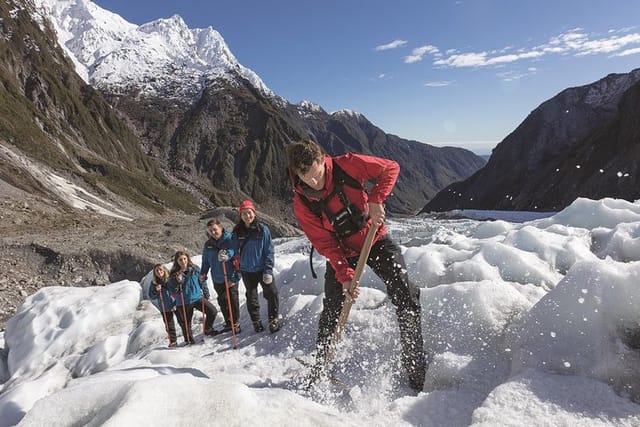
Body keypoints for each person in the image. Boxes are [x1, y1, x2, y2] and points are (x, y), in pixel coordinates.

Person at [286, 138, 426, 391]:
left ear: (322, 160)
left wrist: (376, 199)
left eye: (317, 176)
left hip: (375, 238)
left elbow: (390, 168)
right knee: (332, 308)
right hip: (342, 249)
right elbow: (325, 243)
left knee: (406, 294)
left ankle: (415, 365)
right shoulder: (302, 202)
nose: (314, 184)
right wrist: (344, 273)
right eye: (306, 179)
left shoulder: (347, 165)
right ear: (297, 173)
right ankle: (322, 364)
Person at [231, 200, 280, 333]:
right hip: (247, 271)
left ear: (254, 213)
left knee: (272, 293)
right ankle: (256, 322)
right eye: (244, 214)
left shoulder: (262, 230)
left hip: (262, 269)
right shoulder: (237, 232)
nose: (247, 216)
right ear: (240, 215)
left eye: (249, 213)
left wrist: (268, 270)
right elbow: (233, 249)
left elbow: (269, 250)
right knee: (252, 298)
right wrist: (227, 254)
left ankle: (273, 319)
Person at [167, 250, 219, 344]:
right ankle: (188, 340)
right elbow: (172, 291)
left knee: (212, 311)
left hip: (197, 297)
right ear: (177, 261)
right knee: (186, 323)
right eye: (180, 260)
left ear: (187, 258)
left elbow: (202, 282)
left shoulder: (195, 269)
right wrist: (178, 281)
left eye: (184, 259)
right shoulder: (174, 275)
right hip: (184, 301)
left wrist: (206, 293)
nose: (183, 261)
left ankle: (208, 329)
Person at [200, 218, 241, 334]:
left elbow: (236, 254)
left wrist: (228, 255)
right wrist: (203, 273)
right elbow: (205, 261)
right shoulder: (208, 245)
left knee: (232, 300)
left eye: (215, 230)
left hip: (230, 276)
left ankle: (236, 322)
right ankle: (228, 322)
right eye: (210, 231)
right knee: (222, 301)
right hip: (217, 277)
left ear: (221, 228)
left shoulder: (230, 239)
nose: (213, 233)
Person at [148, 264, 178, 347]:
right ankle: (173, 341)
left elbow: (177, 291)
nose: (159, 272)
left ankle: (187, 337)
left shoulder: (171, 279)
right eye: (157, 271)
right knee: (169, 325)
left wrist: (176, 303)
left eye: (160, 270)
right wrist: (156, 291)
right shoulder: (154, 283)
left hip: (175, 304)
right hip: (164, 307)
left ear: (164, 270)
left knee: (182, 321)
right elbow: (151, 296)